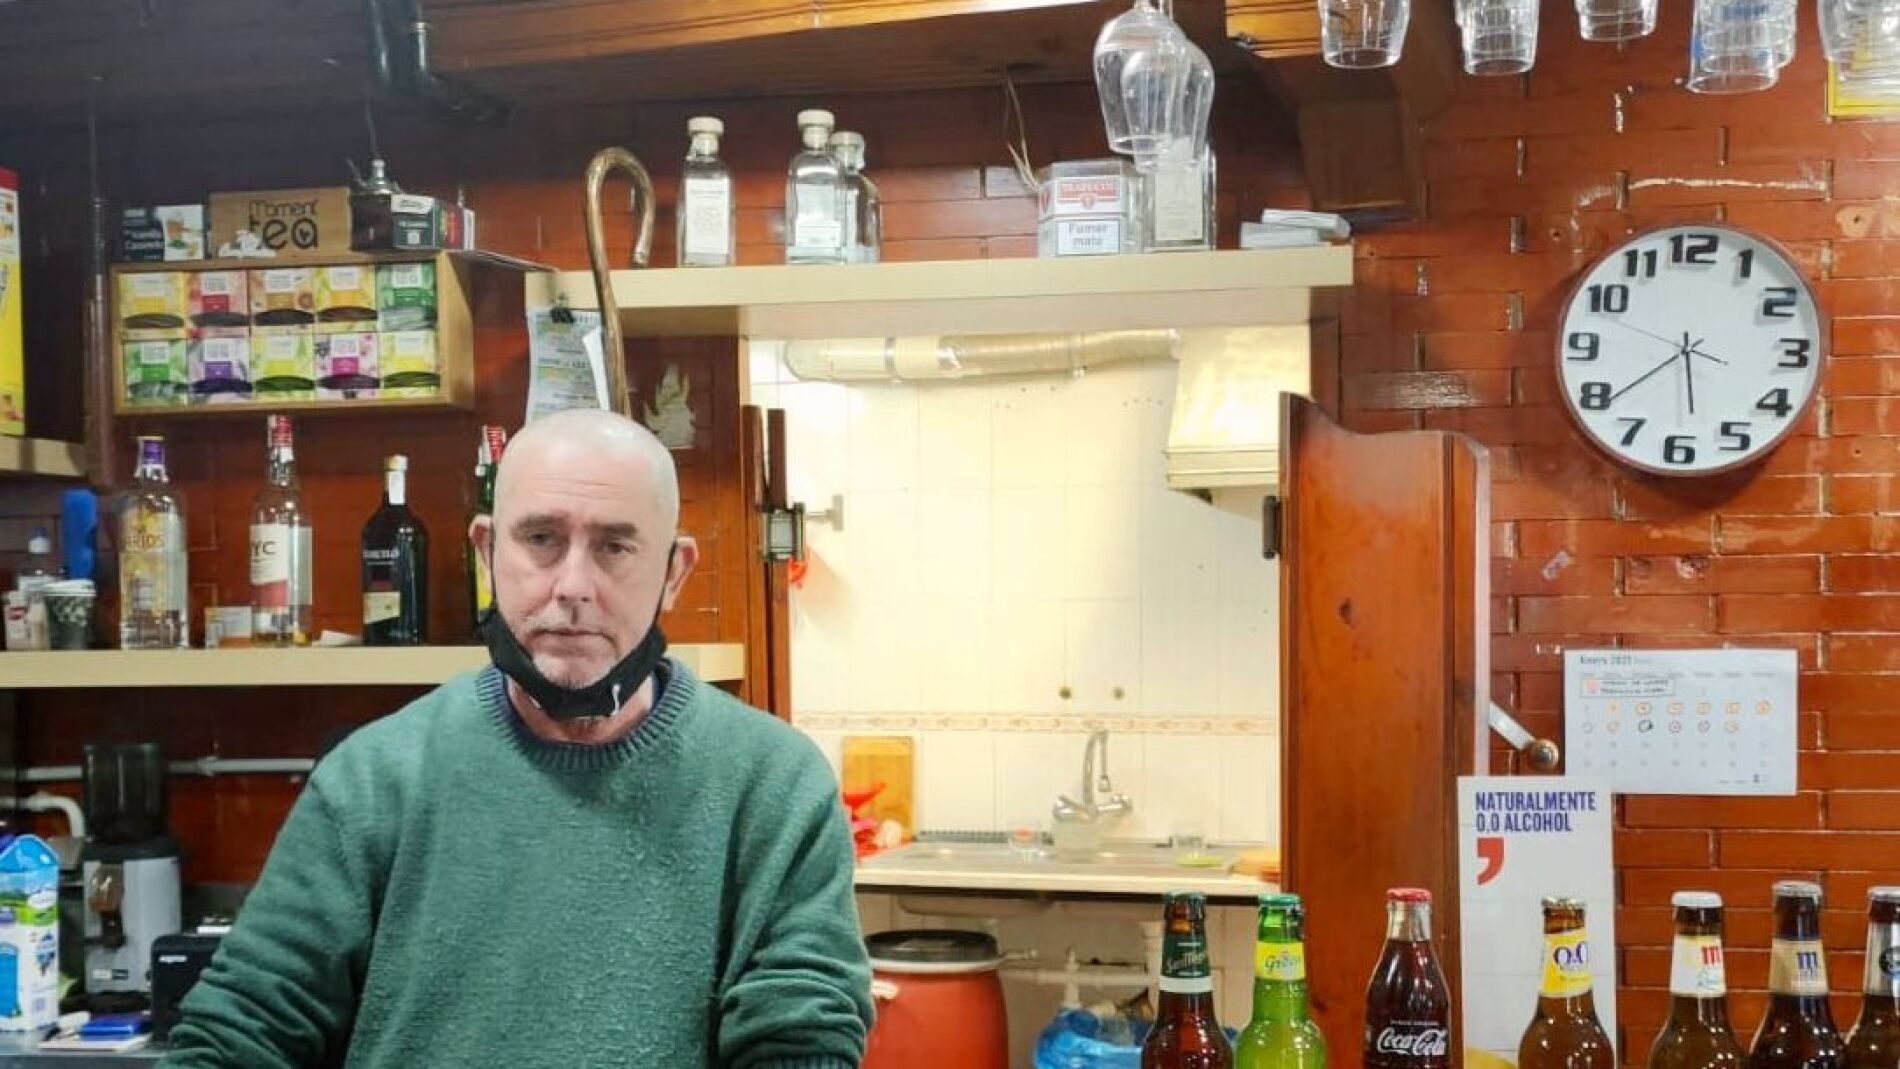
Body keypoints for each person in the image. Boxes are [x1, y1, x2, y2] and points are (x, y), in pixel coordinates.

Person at [162, 409, 872, 1069]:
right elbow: (242, 1029)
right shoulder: (374, 780)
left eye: (615, 546)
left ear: (674, 571)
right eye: (540, 539)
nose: (572, 585)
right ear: (486, 551)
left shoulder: (774, 786)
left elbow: (799, 1035)